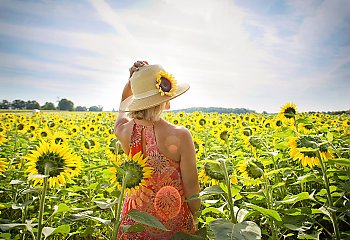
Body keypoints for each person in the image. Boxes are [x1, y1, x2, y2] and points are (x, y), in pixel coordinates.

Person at [114, 61, 201, 239]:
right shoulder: (181, 135)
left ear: (136, 100)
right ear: (165, 100)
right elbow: (191, 187)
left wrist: (131, 81)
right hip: (172, 223)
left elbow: (121, 113)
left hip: (133, 224)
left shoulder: (123, 131)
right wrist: (196, 216)